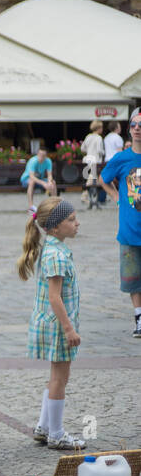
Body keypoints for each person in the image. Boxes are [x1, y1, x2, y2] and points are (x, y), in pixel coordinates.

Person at [18, 198, 83, 451]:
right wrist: (69, 328)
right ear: (55, 228)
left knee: (56, 377)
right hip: (58, 326)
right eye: (71, 220)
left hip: (53, 323)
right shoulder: (56, 255)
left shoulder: (54, 248)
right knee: (60, 378)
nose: (77, 223)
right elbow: (55, 297)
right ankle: (56, 433)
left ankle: (44, 427)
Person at [100, 109, 141, 337]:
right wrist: (115, 196)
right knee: (133, 278)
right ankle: (139, 318)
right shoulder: (122, 158)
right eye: (134, 125)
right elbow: (103, 179)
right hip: (129, 229)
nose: (137, 129)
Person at [80, 120, 105, 208]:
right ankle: (85, 195)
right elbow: (99, 150)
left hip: (88, 161)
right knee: (93, 180)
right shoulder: (98, 138)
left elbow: (82, 148)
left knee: (93, 179)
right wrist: (103, 152)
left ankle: (92, 200)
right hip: (96, 161)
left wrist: (89, 151)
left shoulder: (88, 136)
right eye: (101, 127)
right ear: (98, 128)